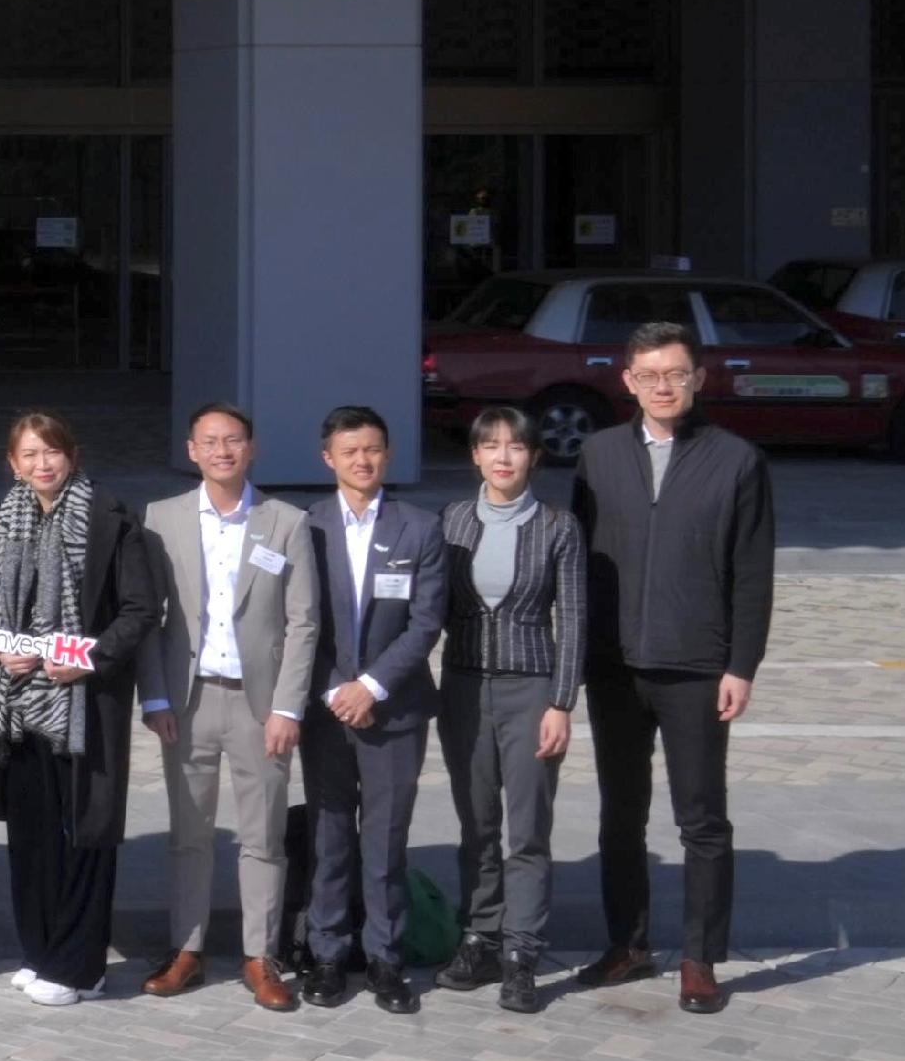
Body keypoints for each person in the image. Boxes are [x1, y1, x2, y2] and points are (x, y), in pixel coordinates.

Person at [570, 320, 773, 1015]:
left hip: (695, 665)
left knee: (702, 819)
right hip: (615, 666)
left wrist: (740, 663)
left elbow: (752, 573)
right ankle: (627, 945)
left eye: (676, 374)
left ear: (698, 379)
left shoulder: (737, 460)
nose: (662, 385)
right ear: (627, 380)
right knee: (619, 814)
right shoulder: (596, 455)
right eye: (649, 374)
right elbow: (579, 566)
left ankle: (700, 957)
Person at [0, 412, 160, 1006]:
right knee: (32, 836)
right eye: (28, 455)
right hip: (18, 708)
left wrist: (91, 658)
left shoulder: (109, 518)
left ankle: (80, 967)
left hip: (82, 706)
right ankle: (40, 950)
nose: (41, 464)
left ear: (71, 455)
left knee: (84, 836)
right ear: (12, 464)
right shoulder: (5, 517)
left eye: (51, 452)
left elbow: (140, 612)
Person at [135, 403, 320, 1009]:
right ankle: (186, 949)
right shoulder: (161, 518)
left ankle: (259, 955)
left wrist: (289, 709)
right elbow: (151, 618)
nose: (222, 451)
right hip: (186, 703)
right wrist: (156, 695)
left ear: (251, 447)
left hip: (259, 705)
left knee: (263, 835)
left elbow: (303, 622)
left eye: (233, 441)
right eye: (209, 442)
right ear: (191, 450)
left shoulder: (285, 522)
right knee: (189, 834)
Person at [295, 404, 446, 1015]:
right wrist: (336, 688)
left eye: (374, 449)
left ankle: (386, 958)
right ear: (328, 458)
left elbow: (426, 620)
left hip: (394, 711)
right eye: (350, 451)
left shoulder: (419, 528)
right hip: (326, 710)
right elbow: (299, 623)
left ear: (388, 454)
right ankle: (328, 954)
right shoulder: (306, 527)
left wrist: (372, 687)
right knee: (330, 837)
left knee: (385, 841)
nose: (363, 461)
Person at [437, 405, 587, 1014]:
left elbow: (573, 619)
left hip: (531, 688)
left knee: (526, 829)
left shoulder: (558, 526)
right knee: (476, 824)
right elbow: (430, 610)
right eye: (490, 445)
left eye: (516, 446)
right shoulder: (449, 520)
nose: (503, 457)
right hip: (464, 688)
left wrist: (562, 702)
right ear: (474, 455)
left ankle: (522, 952)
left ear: (534, 456)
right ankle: (480, 935)